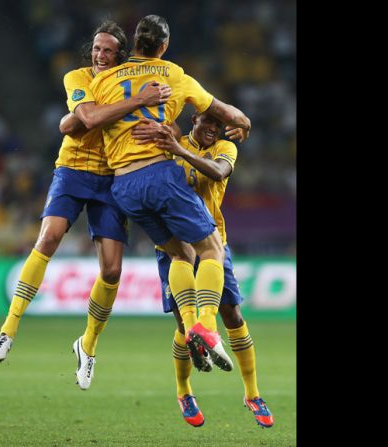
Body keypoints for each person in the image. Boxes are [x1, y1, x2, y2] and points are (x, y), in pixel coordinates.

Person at [0, 21, 171, 391]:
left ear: (121, 55)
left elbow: (77, 120)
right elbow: (85, 119)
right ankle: (8, 329)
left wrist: (79, 118)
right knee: (49, 238)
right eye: (96, 49)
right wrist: (131, 102)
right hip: (72, 170)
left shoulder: (126, 79)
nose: (100, 55)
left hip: (114, 177)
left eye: (108, 51)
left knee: (113, 270)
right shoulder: (78, 77)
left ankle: (87, 346)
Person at [68, 14, 252, 376]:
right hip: (158, 174)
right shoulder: (173, 75)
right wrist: (242, 122)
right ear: (164, 46)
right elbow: (225, 113)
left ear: (133, 43)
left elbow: (78, 122)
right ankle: (206, 327)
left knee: (179, 252)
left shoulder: (101, 79)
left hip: (123, 187)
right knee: (211, 247)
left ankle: (187, 325)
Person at [132, 112, 274, 428]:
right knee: (185, 327)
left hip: (212, 242)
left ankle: (252, 393)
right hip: (173, 245)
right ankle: (184, 392)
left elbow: (221, 172)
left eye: (218, 125)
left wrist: (181, 151)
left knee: (233, 316)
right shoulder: (170, 141)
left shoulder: (225, 149)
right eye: (207, 122)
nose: (212, 128)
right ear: (194, 118)